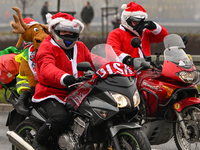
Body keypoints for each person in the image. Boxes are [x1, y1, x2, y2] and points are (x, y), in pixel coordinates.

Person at [31, 12, 95, 150]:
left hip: (77, 91)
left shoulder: (81, 47)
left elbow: (94, 61)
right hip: (51, 92)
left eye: (71, 32)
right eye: (64, 32)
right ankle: (38, 142)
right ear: (55, 30)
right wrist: (63, 77)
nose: (68, 35)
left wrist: (113, 67)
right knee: (60, 117)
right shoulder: (47, 46)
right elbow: (47, 67)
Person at [106, 1, 168, 66]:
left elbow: (164, 36)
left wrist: (152, 25)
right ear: (127, 20)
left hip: (146, 72)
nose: (137, 23)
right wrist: (128, 59)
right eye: (134, 21)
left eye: (140, 21)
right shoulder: (116, 33)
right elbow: (112, 51)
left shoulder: (145, 33)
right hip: (127, 73)